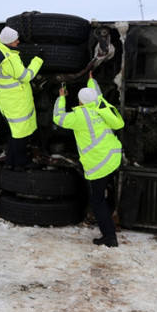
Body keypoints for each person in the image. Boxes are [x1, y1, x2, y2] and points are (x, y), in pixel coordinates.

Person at [53, 72, 124, 247]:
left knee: (96, 200)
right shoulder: (101, 104)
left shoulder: (79, 117)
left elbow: (58, 117)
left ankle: (109, 237)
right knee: (101, 195)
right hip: (113, 155)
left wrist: (61, 98)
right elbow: (96, 91)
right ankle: (110, 228)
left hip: (98, 163)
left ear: (80, 101)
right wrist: (91, 79)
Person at [0, 26, 43, 171]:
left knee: (15, 131)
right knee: (21, 133)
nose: (18, 42)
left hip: (5, 100)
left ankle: (9, 162)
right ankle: (21, 163)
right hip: (17, 100)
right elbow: (26, 76)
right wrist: (38, 60)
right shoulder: (10, 58)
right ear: (8, 42)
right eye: (15, 41)